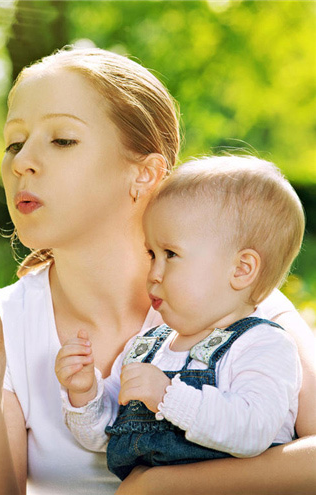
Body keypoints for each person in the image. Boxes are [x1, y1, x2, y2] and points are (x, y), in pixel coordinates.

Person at [0, 46, 316, 495]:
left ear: (144, 174)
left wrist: (161, 487)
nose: (20, 161)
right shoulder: (6, 324)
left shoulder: (237, 304)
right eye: (14, 142)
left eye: (62, 139)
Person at [56, 156, 303, 481]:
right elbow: (104, 437)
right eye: (151, 254)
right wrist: (85, 393)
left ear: (241, 269)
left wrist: (168, 395)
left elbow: (253, 430)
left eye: (170, 254)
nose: (154, 272)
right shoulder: (147, 348)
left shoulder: (263, 344)